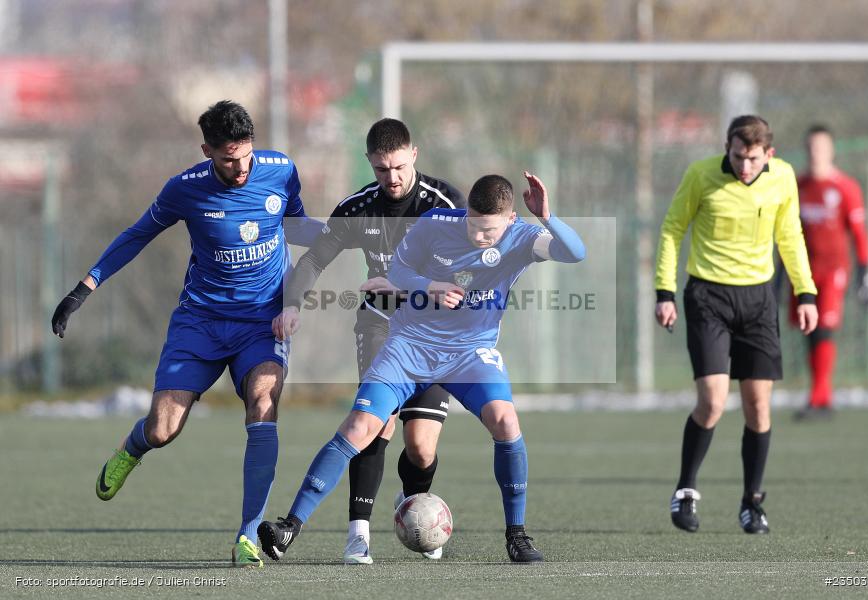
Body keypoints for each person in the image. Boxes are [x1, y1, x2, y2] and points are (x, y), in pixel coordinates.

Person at [259, 172, 585, 563]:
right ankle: (289, 526)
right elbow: (397, 272)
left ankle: (517, 535)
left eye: (490, 230)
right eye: (474, 226)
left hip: (469, 354)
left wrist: (547, 216)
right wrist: (430, 287)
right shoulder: (436, 225)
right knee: (361, 426)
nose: (480, 237)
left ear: (511, 219)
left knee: (505, 421)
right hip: (408, 348)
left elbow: (575, 252)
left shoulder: (522, 237)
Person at [50, 100, 322, 567]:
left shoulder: (280, 171)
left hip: (262, 320)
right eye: (226, 159)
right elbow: (137, 235)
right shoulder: (185, 189)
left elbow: (294, 226)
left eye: (244, 156)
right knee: (163, 429)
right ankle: (131, 449)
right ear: (206, 151)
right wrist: (84, 287)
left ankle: (248, 533)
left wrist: (345, 235)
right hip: (199, 321)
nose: (239, 168)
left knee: (263, 401)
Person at [271, 118, 463, 564]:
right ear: (370, 164)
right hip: (380, 326)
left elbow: (467, 270)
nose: (391, 178)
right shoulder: (358, 208)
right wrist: (293, 303)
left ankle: (411, 505)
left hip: (436, 336)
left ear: (414, 154)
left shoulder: (446, 203)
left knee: (421, 448)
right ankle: (358, 533)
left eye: (398, 166)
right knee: (376, 421)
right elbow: (314, 260)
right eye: (381, 169)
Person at [654, 115, 818, 535]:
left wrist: (806, 292)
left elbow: (791, 236)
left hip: (759, 301)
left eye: (753, 159)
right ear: (726, 148)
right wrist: (664, 292)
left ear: (769, 155)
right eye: (738, 156)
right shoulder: (701, 174)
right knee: (712, 400)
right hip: (708, 296)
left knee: (758, 406)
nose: (745, 166)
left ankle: (752, 502)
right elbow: (673, 229)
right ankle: (686, 489)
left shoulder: (782, 179)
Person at [791, 125, 868, 420]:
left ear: (831, 150)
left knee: (824, 328)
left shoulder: (845, 187)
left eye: (821, 147)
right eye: (811, 146)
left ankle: (819, 397)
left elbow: (859, 233)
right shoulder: (798, 186)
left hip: (834, 270)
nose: (816, 153)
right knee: (811, 332)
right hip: (803, 273)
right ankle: (821, 398)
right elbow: (786, 234)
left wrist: (865, 271)